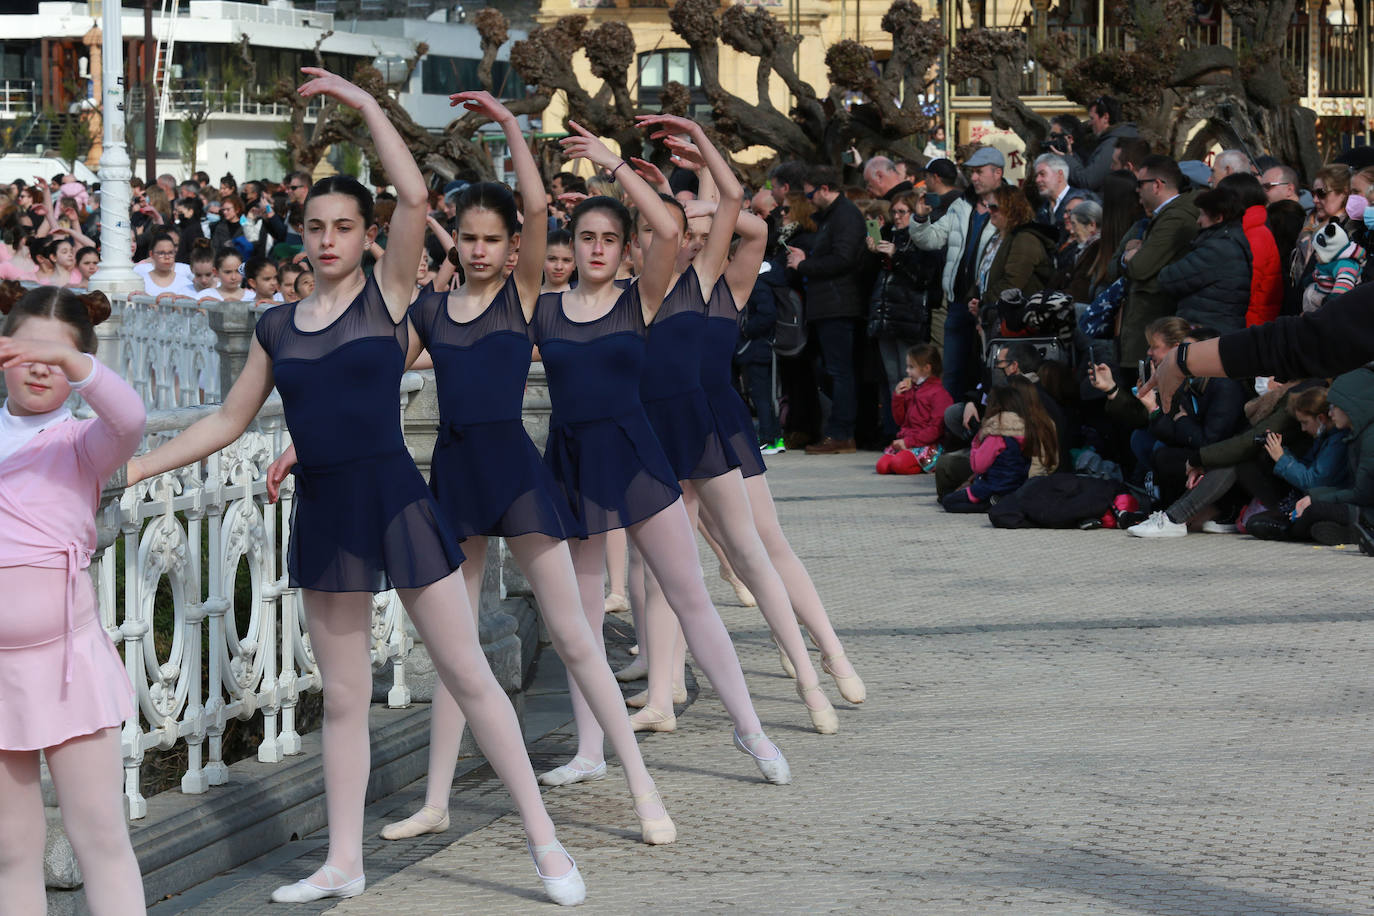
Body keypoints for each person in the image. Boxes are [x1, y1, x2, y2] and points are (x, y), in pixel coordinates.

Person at [126, 69, 587, 907]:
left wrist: (363, 105)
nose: (330, 237)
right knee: (343, 698)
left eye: (345, 225)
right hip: (326, 513)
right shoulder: (274, 326)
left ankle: (546, 845)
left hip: (398, 502)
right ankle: (343, 862)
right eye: (316, 226)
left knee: (467, 672)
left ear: (365, 234)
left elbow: (413, 195)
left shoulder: (388, 298)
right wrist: (133, 468)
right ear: (300, 235)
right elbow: (227, 421)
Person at [244, 90, 672, 847]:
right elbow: (362, 386)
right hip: (453, 481)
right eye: (467, 238)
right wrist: (301, 445)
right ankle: (437, 799)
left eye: (489, 238)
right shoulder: (431, 313)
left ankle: (640, 784)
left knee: (574, 636)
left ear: (511, 247)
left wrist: (511, 126)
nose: (476, 249)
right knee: (455, 651)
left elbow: (539, 210)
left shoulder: (522, 295)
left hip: (516, 474)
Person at [531, 116, 793, 783]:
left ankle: (752, 730)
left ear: (625, 250)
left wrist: (611, 163)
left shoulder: (638, 299)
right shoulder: (546, 310)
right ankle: (590, 751)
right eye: (585, 237)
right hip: (574, 464)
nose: (595, 249)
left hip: (638, 456)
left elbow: (673, 230)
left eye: (609, 239)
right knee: (582, 620)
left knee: (690, 595)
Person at [0, 286, 148, 916]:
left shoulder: (82, 442)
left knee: (100, 837)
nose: (39, 366)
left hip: (67, 667)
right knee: (10, 849)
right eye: (25, 350)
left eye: (56, 357)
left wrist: (74, 363)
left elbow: (132, 418)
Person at [909, 146, 1004, 397]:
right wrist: (920, 219)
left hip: (989, 306)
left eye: (979, 172)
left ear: (997, 173)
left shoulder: (1010, 205)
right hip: (957, 303)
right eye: (971, 172)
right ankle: (950, 433)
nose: (973, 178)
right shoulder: (962, 204)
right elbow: (932, 239)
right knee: (952, 374)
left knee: (987, 372)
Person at [786, 164, 866, 454]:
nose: (808, 200)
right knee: (831, 370)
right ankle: (838, 431)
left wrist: (804, 265)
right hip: (828, 303)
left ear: (824, 189)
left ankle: (842, 433)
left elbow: (843, 259)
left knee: (839, 371)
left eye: (810, 194)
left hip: (838, 304)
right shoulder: (834, 216)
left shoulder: (845, 216)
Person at [1115, 155, 1198, 378]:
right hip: (1147, 327)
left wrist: (1130, 255)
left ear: (1157, 185)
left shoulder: (1176, 217)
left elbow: (1140, 267)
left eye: (1140, 184)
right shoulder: (1167, 215)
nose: (1137, 191)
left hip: (1152, 324)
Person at [941, 376, 1057, 511]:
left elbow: (979, 465)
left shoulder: (999, 429)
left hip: (1004, 488)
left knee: (947, 481)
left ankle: (989, 502)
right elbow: (1050, 464)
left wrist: (979, 438)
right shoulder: (1042, 423)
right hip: (1020, 485)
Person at [866, 189, 931, 427]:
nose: (897, 217)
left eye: (902, 212)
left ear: (914, 213)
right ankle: (895, 432)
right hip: (886, 316)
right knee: (892, 378)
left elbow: (922, 277)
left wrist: (897, 256)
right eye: (894, 212)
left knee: (909, 377)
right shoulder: (889, 235)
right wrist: (874, 253)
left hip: (908, 317)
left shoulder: (921, 238)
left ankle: (912, 430)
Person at [1157, 185, 1253, 333]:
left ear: (1219, 218)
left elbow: (1169, 279)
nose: (1198, 221)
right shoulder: (1235, 241)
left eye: (1202, 214)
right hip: (1220, 327)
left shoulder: (1218, 249)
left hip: (1206, 330)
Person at [876, 344, 952, 474]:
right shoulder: (912, 390)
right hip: (908, 442)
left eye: (911, 367)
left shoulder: (939, 394)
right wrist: (898, 397)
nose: (907, 371)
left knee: (898, 464)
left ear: (926, 368)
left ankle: (928, 464)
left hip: (929, 447)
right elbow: (900, 420)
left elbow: (935, 429)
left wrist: (909, 442)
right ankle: (911, 460)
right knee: (882, 466)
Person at [1065, 95, 1140, 193]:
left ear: (1105, 117)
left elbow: (1088, 180)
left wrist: (1066, 157)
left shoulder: (1112, 144)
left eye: (1092, 118)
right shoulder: (1116, 139)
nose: (1090, 123)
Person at [1032, 153, 1088, 241]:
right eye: (1036, 176)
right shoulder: (1042, 211)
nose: (1037, 180)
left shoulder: (1081, 201)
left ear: (1059, 175)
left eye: (1042, 174)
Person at [136, 230, 196, 298]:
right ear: (151, 254)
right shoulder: (140, 281)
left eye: (170, 253)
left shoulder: (186, 284)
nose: (167, 257)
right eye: (161, 253)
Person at [543, 228, 574, 292]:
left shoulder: (586, 298)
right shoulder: (526, 296)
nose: (559, 267)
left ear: (575, 264)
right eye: (552, 259)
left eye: (566, 260)